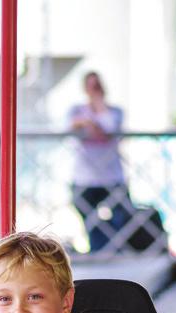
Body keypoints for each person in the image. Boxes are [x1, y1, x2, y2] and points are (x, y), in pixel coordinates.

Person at [68, 71, 131, 253]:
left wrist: (98, 108)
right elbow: (70, 126)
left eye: (97, 86)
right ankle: (97, 248)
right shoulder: (76, 110)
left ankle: (114, 249)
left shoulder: (115, 111)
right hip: (84, 176)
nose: (94, 90)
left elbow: (109, 129)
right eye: (91, 86)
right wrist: (90, 122)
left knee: (121, 216)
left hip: (112, 176)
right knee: (89, 217)